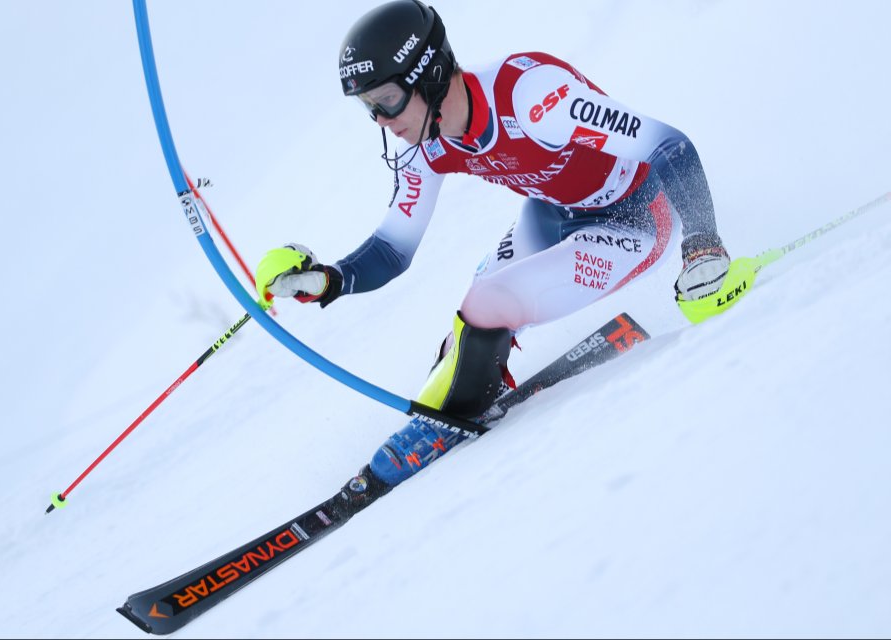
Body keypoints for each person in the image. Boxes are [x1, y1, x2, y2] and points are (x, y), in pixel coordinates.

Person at [255, 0, 729, 503]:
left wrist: (701, 245)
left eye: (388, 99)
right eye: (368, 106)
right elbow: (393, 248)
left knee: (487, 305)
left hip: (633, 218)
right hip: (551, 213)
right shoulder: (426, 143)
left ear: (431, 74)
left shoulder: (533, 97)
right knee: (463, 338)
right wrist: (328, 279)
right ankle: (455, 406)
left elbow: (669, 145)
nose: (380, 120)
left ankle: (448, 420)